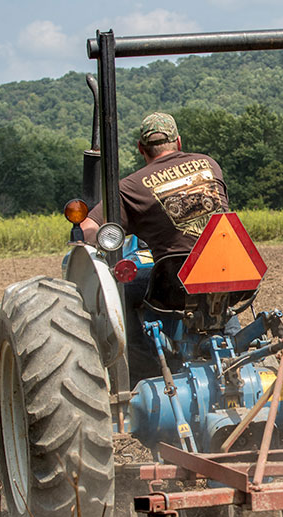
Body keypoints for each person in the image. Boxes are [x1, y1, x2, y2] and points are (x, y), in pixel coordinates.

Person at [80, 112, 232, 382]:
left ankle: (145, 369)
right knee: (218, 293)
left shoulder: (130, 187)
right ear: (179, 142)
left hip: (173, 282)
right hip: (229, 271)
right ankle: (231, 343)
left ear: (141, 148)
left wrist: (95, 234)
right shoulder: (210, 164)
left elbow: (88, 227)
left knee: (119, 294)